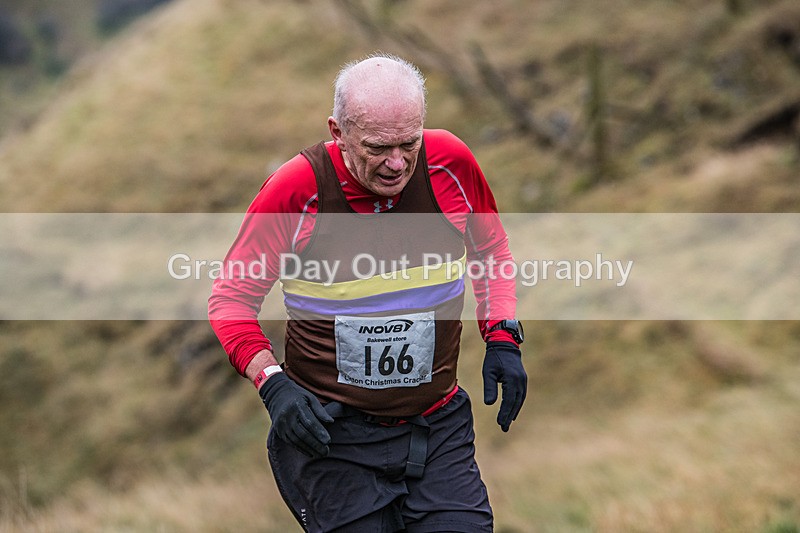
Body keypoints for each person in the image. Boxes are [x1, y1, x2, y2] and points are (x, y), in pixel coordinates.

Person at [208, 53, 527, 533]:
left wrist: (502, 335)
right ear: (337, 132)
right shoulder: (296, 190)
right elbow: (231, 300)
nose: (397, 164)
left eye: (409, 143)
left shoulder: (451, 164)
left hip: (436, 425)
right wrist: (272, 384)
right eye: (378, 148)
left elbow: (491, 248)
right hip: (333, 438)